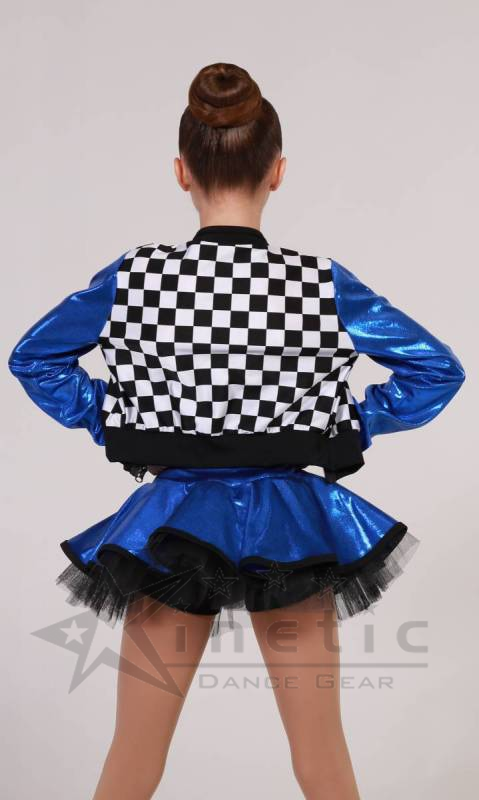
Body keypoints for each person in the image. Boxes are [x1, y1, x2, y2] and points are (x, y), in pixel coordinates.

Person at [7, 62, 465, 800]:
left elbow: (34, 357)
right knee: (323, 761)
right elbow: (435, 369)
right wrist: (348, 424)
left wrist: (114, 419)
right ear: (277, 171)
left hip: (170, 525)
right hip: (293, 528)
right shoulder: (319, 282)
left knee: (132, 761)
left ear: (181, 171)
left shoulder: (135, 278)